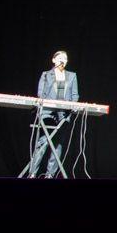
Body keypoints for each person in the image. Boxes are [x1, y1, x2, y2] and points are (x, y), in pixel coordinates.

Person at [28, 50, 79, 178]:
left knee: (58, 144)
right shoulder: (46, 75)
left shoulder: (72, 76)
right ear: (54, 60)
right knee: (43, 141)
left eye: (65, 58)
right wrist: (55, 75)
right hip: (47, 112)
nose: (63, 60)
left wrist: (72, 105)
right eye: (60, 58)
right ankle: (33, 173)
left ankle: (50, 175)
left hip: (63, 114)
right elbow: (41, 94)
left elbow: (75, 95)